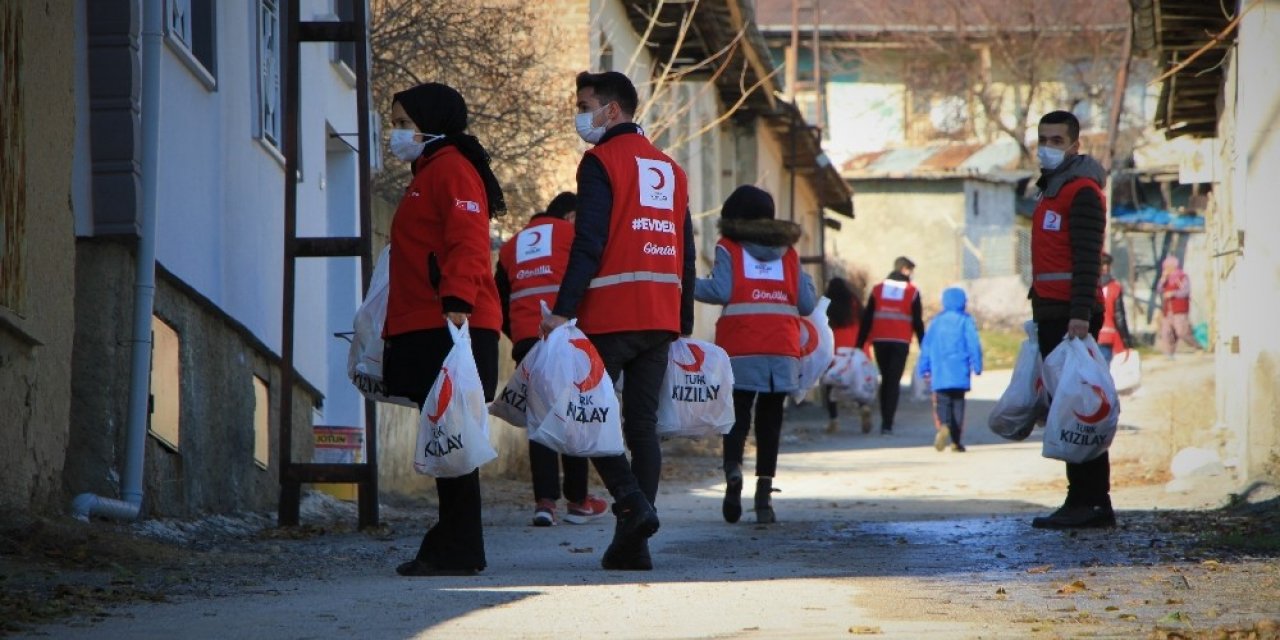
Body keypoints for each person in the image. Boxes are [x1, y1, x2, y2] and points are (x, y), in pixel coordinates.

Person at [540, 71, 695, 570]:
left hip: (611, 313)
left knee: (583, 414)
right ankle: (635, 545)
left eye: (585, 104)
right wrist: (683, 317)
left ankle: (629, 504)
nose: (579, 115)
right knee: (641, 426)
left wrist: (562, 311)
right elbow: (686, 251)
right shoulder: (670, 169)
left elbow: (589, 242)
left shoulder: (600, 161)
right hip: (661, 314)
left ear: (612, 110)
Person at [380, 83, 506, 576]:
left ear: (432, 124)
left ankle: (456, 548)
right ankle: (457, 546)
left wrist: (457, 303)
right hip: (433, 321)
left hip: (452, 322)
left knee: (452, 438)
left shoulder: (451, 168)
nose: (396, 133)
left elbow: (468, 241)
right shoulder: (428, 172)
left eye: (404, 123)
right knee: (448, 438)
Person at [694, 185, 817, 525]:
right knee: (771, 420)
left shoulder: (729, 246)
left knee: (738, 415)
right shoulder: (789, 252)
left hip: (741, 345)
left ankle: (733, 472)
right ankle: (764, 497)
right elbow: (806, 303)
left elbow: (720, 290)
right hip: (782, 347)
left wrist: (682, 282)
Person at [496, 192, 609, 527]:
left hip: (528, 341)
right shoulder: (572, 235)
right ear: (572, 216)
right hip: (565, 336)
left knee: (540, 418)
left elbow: (499, 300)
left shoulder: (510, 246)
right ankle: (577, 501)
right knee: (571, 415)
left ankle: (545, 503)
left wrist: (520, 337)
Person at [1027, 110, 1115, 529]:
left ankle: (1091, 502)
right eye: (1043, 138)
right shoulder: (1052, 189)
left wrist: (1079, 316)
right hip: (1051, 311)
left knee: (1081, 410)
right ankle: (1081, 499)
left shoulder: (1080, 191)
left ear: (1075, 145)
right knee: (1068, 409)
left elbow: (1086, 259)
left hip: (1071, 316)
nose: (1048, 146)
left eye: (1057, 140)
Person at [856, 256, 926, 435]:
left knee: (885, 379)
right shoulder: (912, 291)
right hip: (900, 341)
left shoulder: (878, 289)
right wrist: (924, 344)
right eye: (910, 270)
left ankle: (884, 417)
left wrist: (859, 343)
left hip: (880, 340)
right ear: (904, 270)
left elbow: (867, 318)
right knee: (893, 381)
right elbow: (917, 321)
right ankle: (887, 423)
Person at [916, 287, 983, 452]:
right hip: (960, 369)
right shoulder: (966, 320)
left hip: (940, 371)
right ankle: (956, 441)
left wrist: (923, 367)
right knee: (958, 403)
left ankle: (944, 425)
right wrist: (977, 364)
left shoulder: (936, 322)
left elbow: (927, 346)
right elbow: (973, 344)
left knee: (943, 402)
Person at [823, 277, 872, 434]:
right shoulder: (854, 302)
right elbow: (866, 321)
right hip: (855, 349)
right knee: (856, 383)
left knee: (829, 384)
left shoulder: (826, 304)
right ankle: (863, 406)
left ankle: (834, 420)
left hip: (835, 351)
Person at [1156, 254, 1201, 357]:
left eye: (1169, 267)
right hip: (1167, 310)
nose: (1167, 269)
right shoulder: (1165, 279)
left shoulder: (1182, 277)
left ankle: (1197, 346)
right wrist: (1163, 279)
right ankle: (1169, 354)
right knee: (1166, 332)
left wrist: (1173, 293)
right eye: (1165, 267)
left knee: (1182, 332)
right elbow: (1159, 290)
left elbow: (1186, 291)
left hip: (1180, 309)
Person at [1098, 252, 1134, 364]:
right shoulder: (1115, 287)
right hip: (1107, 336)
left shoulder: (1086, 285)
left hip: (1087, 336)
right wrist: (1126, 341)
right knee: (1103, 373)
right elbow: (1120, 317)